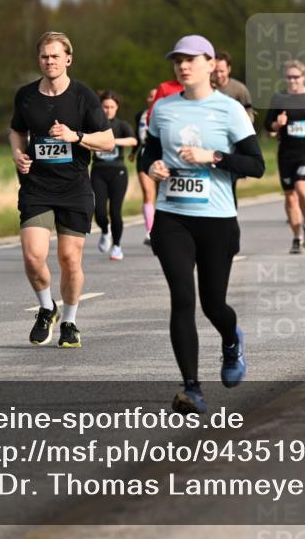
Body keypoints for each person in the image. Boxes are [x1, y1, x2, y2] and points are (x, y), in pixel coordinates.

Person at [144, 35, 265, 414]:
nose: (183, 66)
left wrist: (212, 156)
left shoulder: (230, 110)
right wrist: (153, 167)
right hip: (172, 218)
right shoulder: (162, 109)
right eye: (177, 60)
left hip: (216, 220)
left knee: (214, 304)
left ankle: (231, 338)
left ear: (211, 65)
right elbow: (147, 154)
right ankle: (191, 388)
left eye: (191, 60)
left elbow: (256, 165)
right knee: (182, 297)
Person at [10, 31, 115, 349]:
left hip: (74, 187)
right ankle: (46, 308)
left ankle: (69, 320)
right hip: (37, 186)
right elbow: (17, 131)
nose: (50, 61)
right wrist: (17, 155)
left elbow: (107, 141)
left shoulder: (83, 97)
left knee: (70, 259)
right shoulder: (26, 96)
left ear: (68, 59)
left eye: (55, 56)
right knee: (33, 256)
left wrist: (76, 136)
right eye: (44, 56)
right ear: (38, 60)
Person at [263, 60, 305, 254]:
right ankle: (296, 236)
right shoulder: (279, 98)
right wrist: (277, 124)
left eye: (296, 77)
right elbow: (267, 125)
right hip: (286, 153)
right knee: (290, 197)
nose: (292, 81)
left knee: (302, 187)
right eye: (289, 77)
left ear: (304, 78)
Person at [134, 80, 183, 246]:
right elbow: (138, 137)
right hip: (147, 154)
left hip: (166, 153)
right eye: (152, 97)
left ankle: (169, 228)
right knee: (148, 193)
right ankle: (150, 231)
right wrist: (134, 153)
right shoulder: (141, 115)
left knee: (165, 192)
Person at [91, 90, 138, 260]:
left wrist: (112, 142)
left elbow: (133, 141)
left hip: (118, 171)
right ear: (100, 107)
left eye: (111, 107)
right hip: (98, 171)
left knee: (115, 211)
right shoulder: (93, 124)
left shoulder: (121, 125)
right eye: (105, 107)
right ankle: (105, 230)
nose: (108, 110)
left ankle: (117, 246)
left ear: (116, 108)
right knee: (99, 211)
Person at [213, 51, 254, 123]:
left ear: (229, 69)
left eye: (222, 71)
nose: (218, 75)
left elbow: (249, 112)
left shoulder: (240, 89)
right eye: (216, 71)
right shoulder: (206, 87)